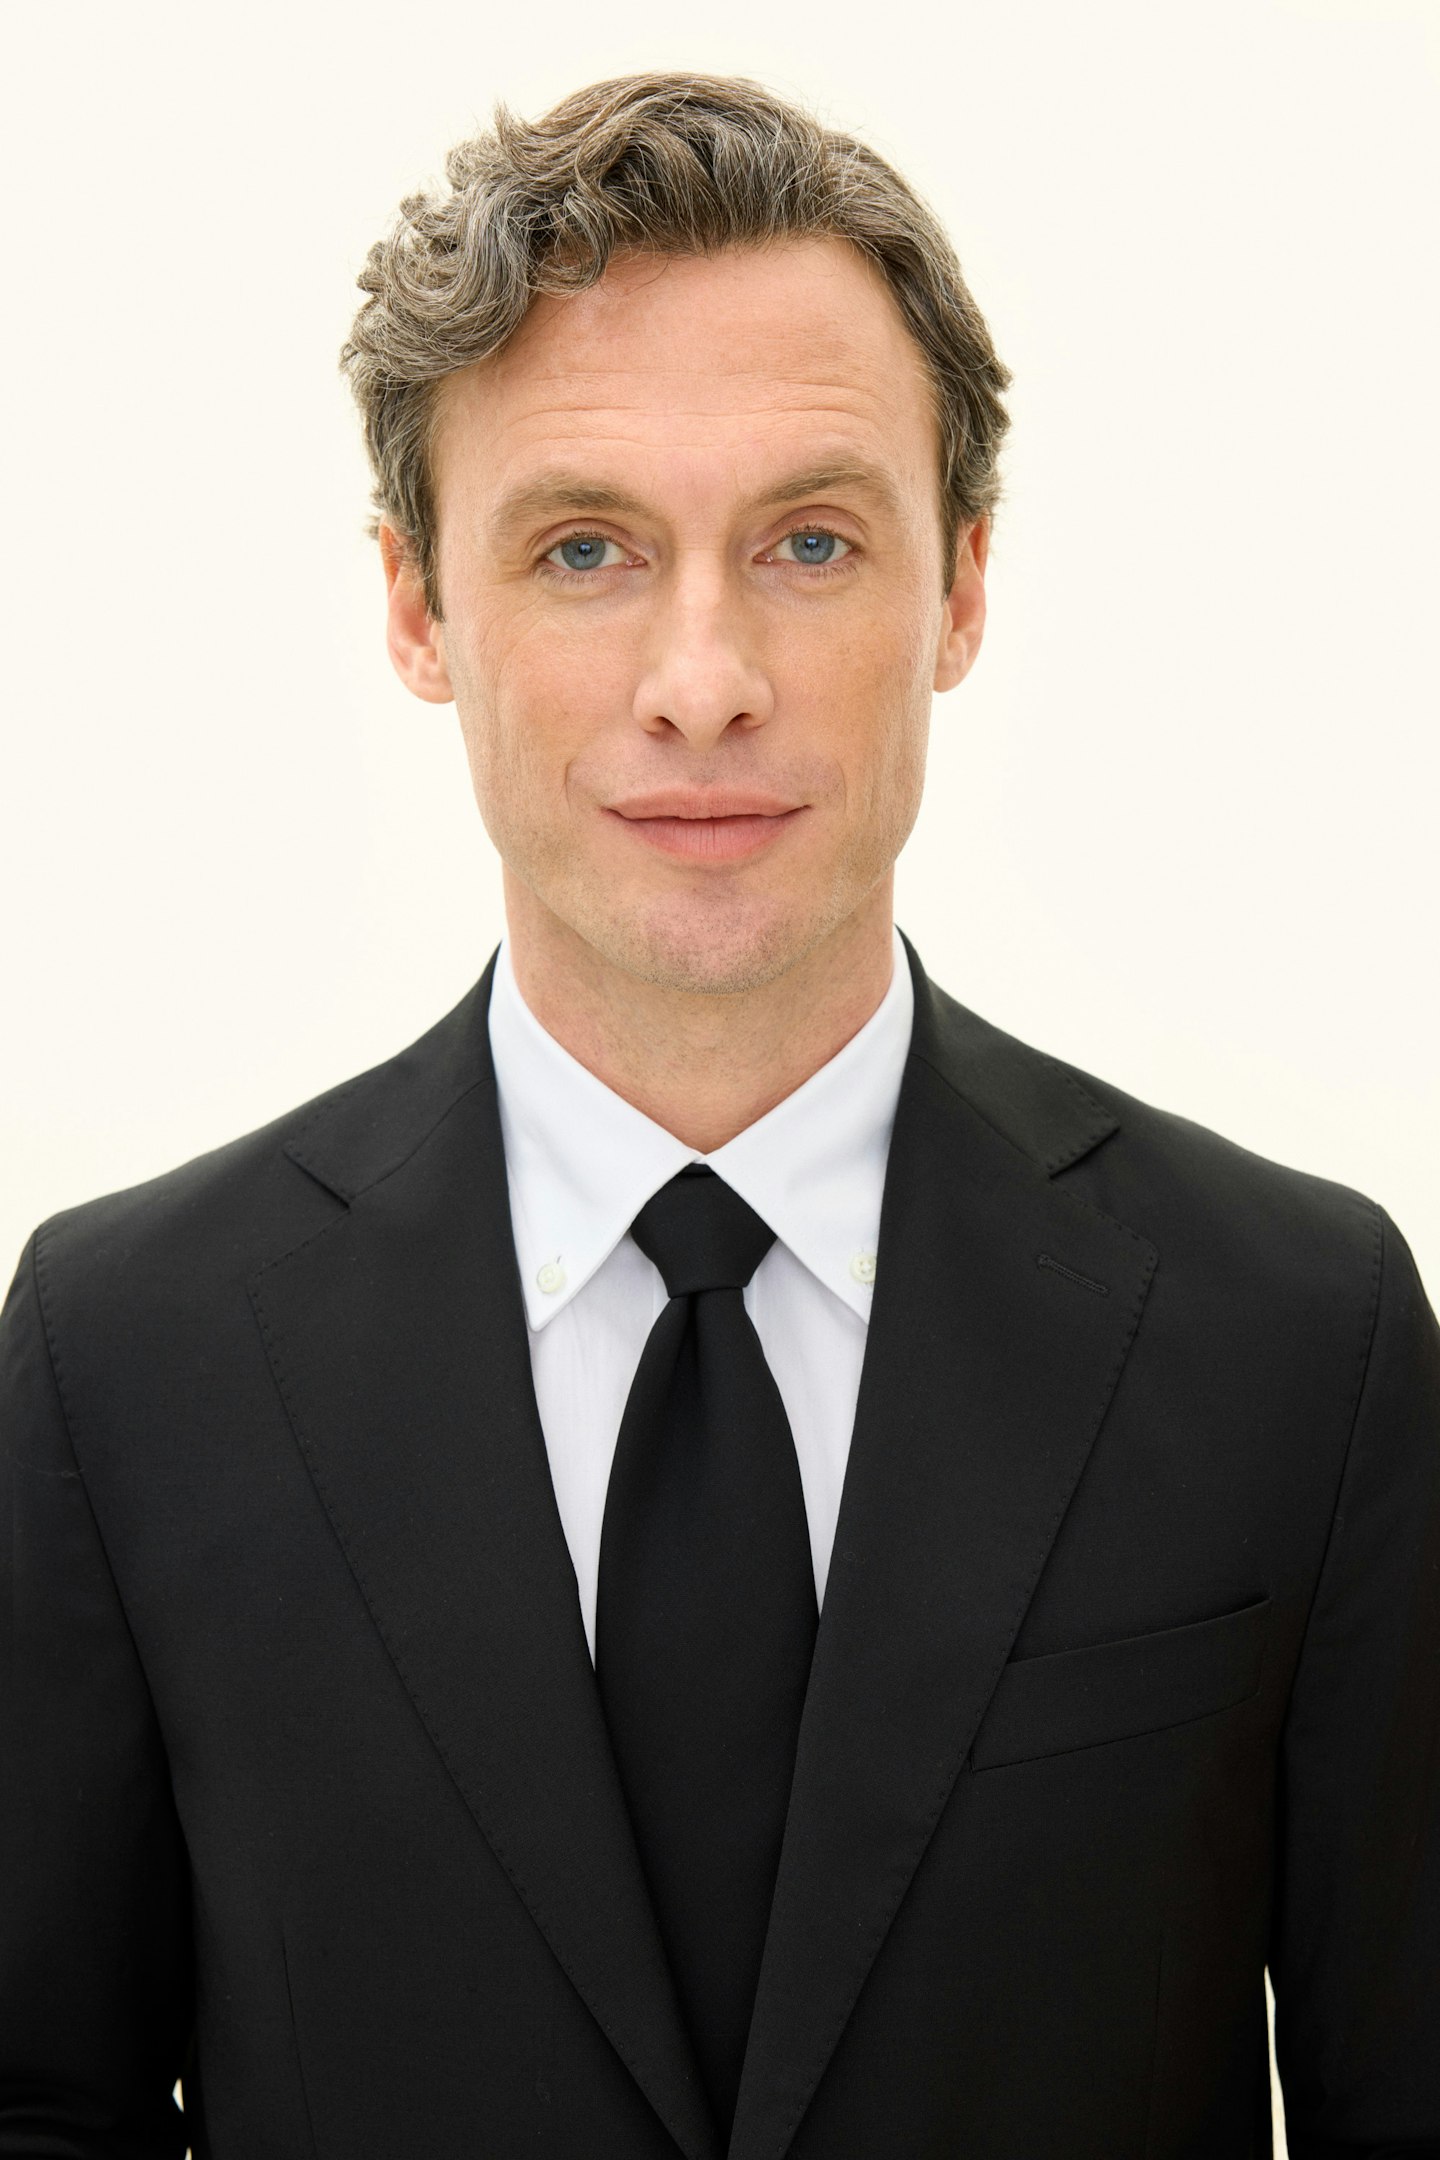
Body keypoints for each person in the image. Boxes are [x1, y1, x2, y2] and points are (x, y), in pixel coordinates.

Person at [1, 69, 1436, 2160]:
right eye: (584, 548)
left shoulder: (1305, 1341)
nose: (704, 678)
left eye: (811, 542)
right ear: (418, 608)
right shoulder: (124, 1356)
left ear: (961, 587)